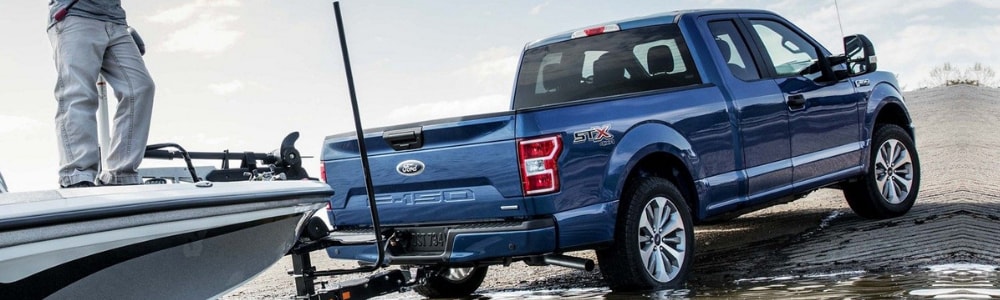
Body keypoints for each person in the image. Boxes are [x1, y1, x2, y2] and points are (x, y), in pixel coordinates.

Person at [47, 0, 155, 188]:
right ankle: (77, 175)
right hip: (75, 15)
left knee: (140, 87)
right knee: (79, 93)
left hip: (115, 21)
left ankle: (121, 173)